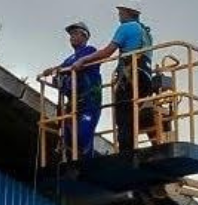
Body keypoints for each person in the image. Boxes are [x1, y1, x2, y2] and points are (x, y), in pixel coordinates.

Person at [75, 3, 153, 152]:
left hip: (131, 77)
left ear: (127, 12)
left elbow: (107, 52)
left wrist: (83, 60)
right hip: (145, 77)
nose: (119, 15)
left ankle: (126, 152)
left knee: (123, 115)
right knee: (132, 113)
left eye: (120, 12)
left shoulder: (126, 27)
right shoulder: (145, 31)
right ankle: (131, 147)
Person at [39, 21, 102, 161]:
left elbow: (67, 67)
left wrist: (56, 69)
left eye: (75, 34)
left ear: (84, 36)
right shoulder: (69, 59)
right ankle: (72, 161)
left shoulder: (90, 51)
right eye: (70, 35)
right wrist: (54, 76)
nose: (71, 37)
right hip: (73, 104)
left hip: (89, 102)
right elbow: (61, 75)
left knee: (83, 133)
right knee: (67, 134)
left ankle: (88, 163)